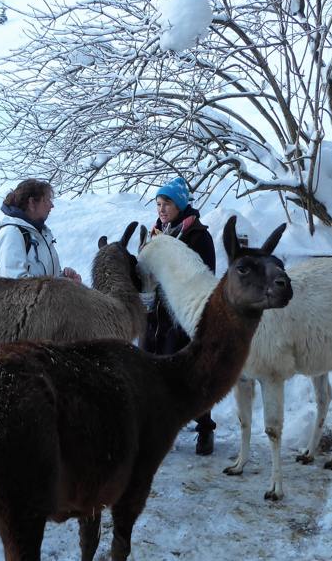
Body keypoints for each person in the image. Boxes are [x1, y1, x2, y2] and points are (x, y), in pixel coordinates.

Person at [141, 176, 218, 455]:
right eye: (159, 204)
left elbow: (204, 274)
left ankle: (205, 429)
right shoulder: (156, 232)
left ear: (181, 204)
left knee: (192, 376)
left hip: (183, 318)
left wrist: (170, 251)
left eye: (167, 204)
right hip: (155, 317)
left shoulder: (198, 235)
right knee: (154, 373)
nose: (161, 210)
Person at [0, 179, 81, 281]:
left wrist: (65, 279)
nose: (51, 205)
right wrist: (60, 288)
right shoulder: (11, 234)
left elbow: (47, 279)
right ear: (31, 203)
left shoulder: (40, 232)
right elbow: (16, 286)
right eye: (47, 200)